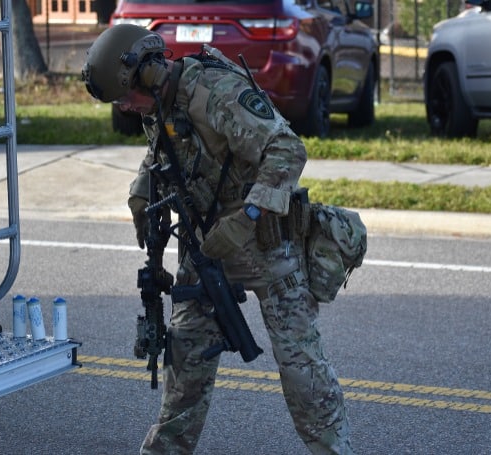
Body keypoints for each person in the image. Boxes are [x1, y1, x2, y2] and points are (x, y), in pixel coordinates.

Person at [82, 24, 354, 455]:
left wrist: (246, 217)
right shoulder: (159, 103)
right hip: (206, 246)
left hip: (265, 243)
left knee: (302, 370)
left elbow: (287, 150)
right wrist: (140, 193)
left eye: (125, 97)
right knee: (185, 355)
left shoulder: (216, 94)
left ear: (150, 74)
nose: (126, 108)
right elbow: (163, 154)